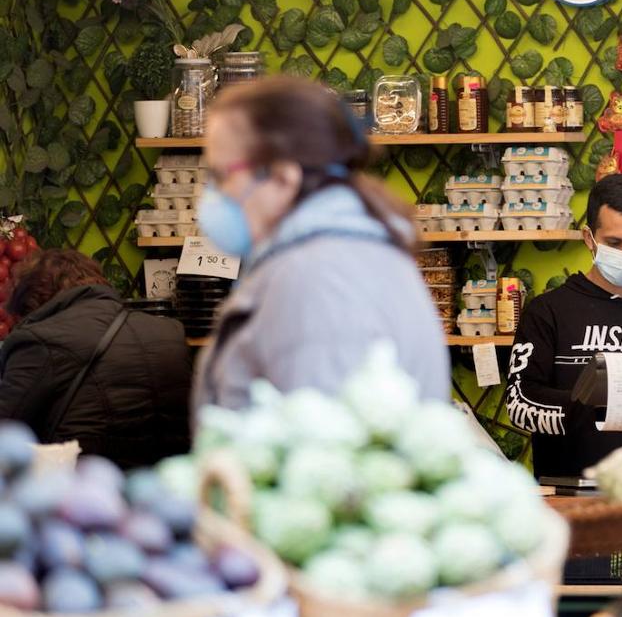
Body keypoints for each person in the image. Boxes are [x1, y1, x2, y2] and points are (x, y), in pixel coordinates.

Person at [193, 76, 448, 412]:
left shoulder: (316, 278)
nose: (211, 193)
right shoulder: (343, 256)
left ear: (283, 176)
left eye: (221, 175)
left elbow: (321, 447)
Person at [507, 174, 622, 478]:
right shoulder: (547, 312)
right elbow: (518, 402)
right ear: (590, 239)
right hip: (570, 497)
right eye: (615, 243)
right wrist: (597, 402)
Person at [0, 250, 191, 467]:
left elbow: (6, 425)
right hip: (171, 483)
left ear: (33, 298)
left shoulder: (39, 340)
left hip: (85, 486)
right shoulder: (169, 331)